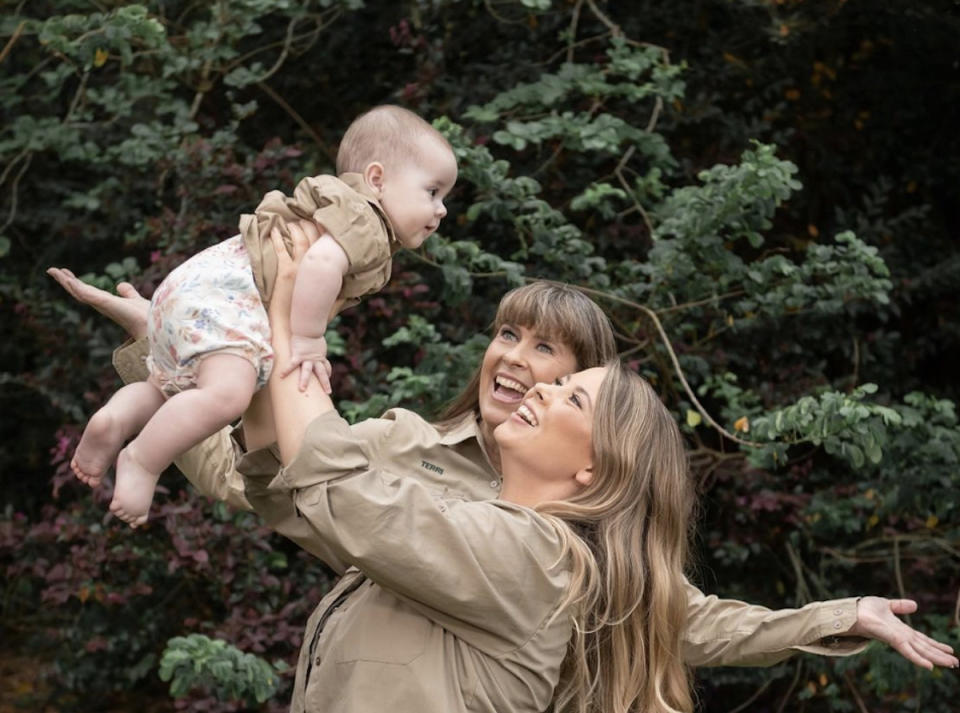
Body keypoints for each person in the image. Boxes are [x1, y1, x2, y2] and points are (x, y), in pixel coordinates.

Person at [48, 229, 957, 696]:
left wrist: (825, 615)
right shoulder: (412, 440)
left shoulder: (551, 544)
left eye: (553, 361)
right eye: (507, 333)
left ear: (592, 443)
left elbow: (679, 612)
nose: (517, 360)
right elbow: (281, 483)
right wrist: (188, 353)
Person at [250, 222, 696, 711]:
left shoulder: (538, 556)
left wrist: (292, 319)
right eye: (507, 334)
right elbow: (296, 489)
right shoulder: (505, 533)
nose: (541, 384)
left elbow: (341, 489)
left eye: (573, 396)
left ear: (595, 467)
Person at [64, 105, 457, 528]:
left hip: (191, 294)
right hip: (225, 301)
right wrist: (307, 340)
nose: (441, 211)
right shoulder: (366, 221)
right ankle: (141, 460)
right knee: (229, 396)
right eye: (432, 192)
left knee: (172, 387)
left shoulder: (337, 207)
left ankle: (115, 418)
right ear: (377, 180)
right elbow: (320, 265)